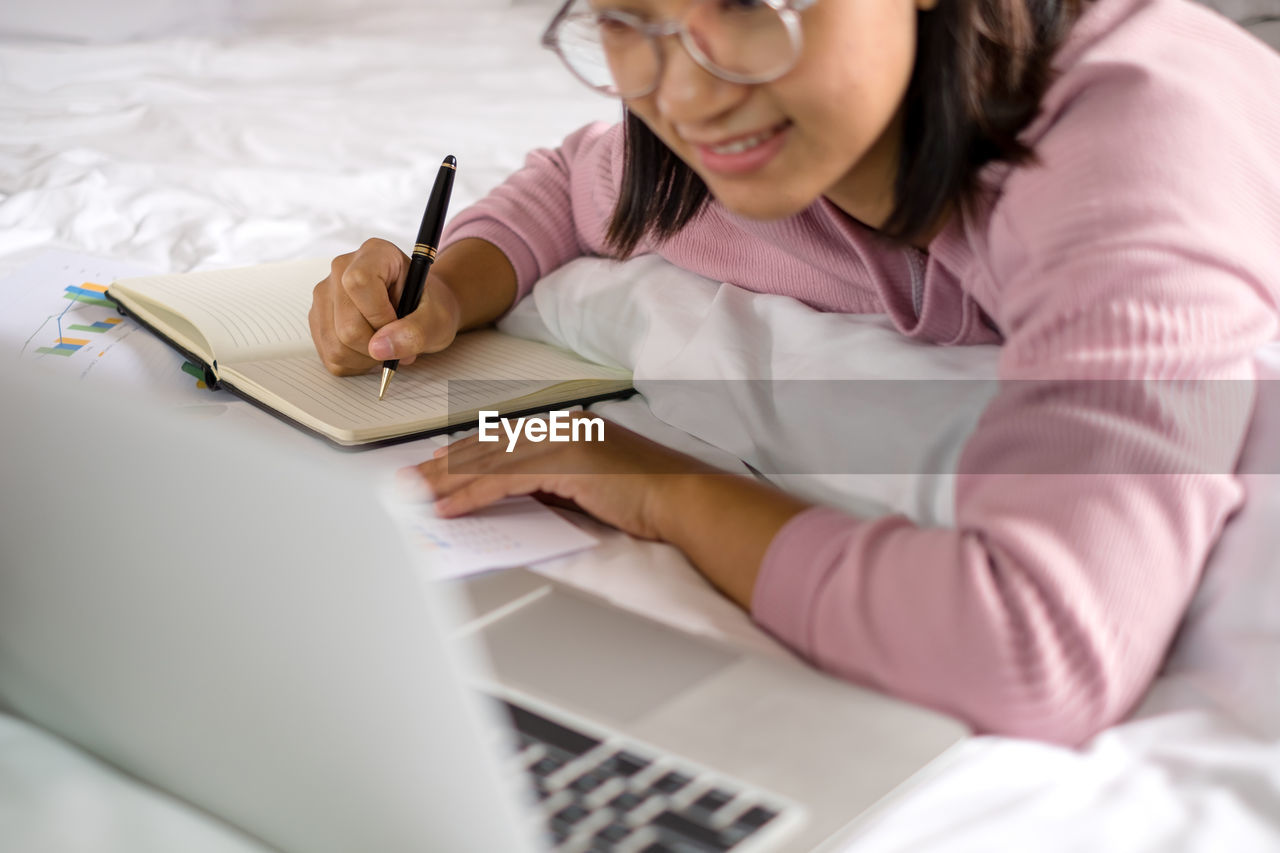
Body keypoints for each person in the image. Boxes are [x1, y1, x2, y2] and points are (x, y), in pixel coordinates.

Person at [308, 0, 1280, 745]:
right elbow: (573, 182)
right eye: (627, 17)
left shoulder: (1131, 150)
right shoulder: (768, 147)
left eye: (749, 3)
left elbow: (1035, 648)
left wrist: (647, 481)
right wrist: (442, 293)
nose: (682, 95)